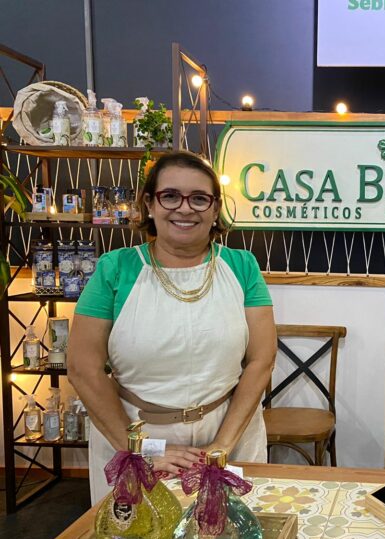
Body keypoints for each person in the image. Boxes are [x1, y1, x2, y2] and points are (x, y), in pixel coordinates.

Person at [68, 151, 277, 503]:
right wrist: (143, 451)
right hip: (133, 436)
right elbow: (82, 367)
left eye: (199, 198)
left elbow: (261, 360)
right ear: (149, 204)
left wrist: (221, 446)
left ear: (214, 210)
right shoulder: (114, 269)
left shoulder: (242, 266)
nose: (185, 208)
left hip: (231, 430)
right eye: (170, 196)